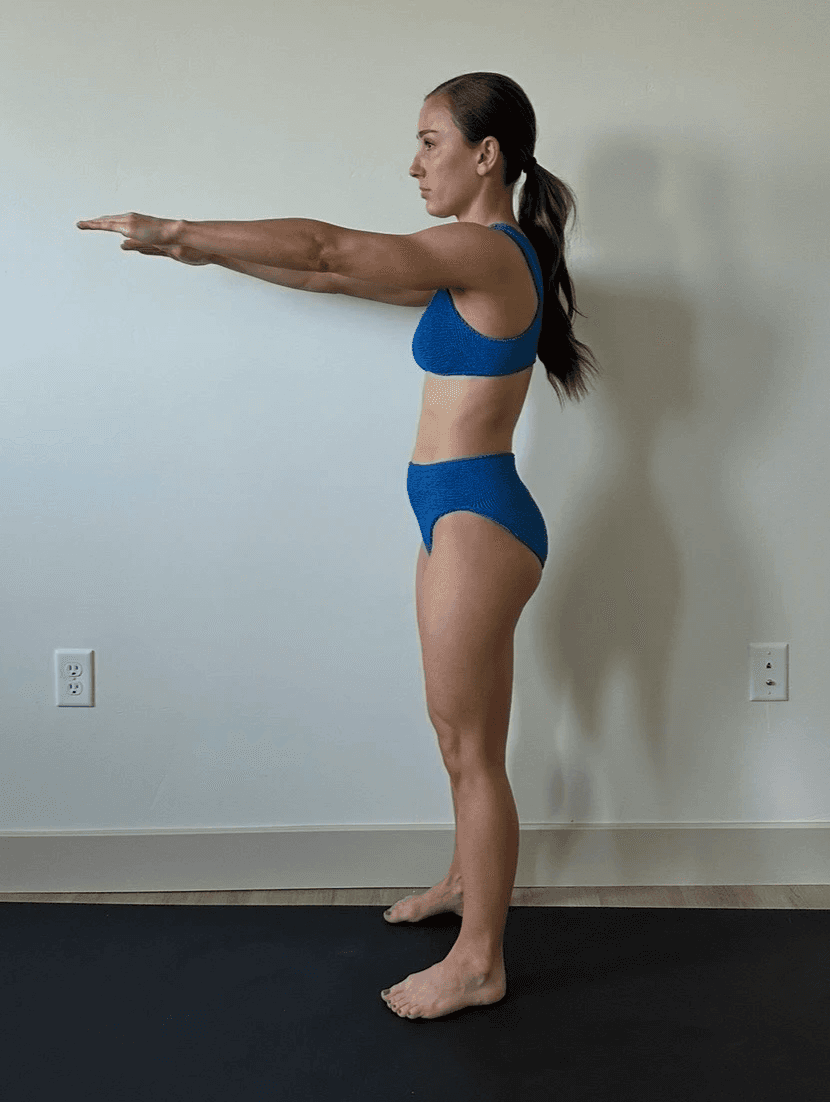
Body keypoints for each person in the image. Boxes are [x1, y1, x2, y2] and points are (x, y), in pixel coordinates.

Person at [77, 71, 599, 1020]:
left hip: (477, 516)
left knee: (471, 746)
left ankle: (479, 962)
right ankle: (463, 881)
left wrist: (180, 228)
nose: (414, 164)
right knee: (459, 735)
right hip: (456, 512)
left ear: (486, 155)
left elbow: (328, 244)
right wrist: (208, 257)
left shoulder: (483, 250)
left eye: (430, 142)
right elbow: (324, 273)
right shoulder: (473, 260)